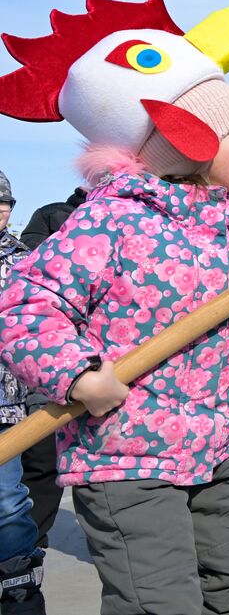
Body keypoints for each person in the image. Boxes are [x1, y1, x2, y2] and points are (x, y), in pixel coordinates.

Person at [0, 0, 229, 615]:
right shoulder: (110, 221)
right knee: (157, 602)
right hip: (123, 454)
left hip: (212, 446)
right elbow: (25, 307)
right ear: (185, 138)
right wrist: (78, 375)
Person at [16, 185, 87, 564]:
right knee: (31, 461)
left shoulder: (131, 217)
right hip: (43, 361)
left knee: (56, 460)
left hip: (93, 359)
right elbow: (36, 269)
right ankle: (23, 540)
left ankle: (32, 539)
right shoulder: (54, 214)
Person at [0, 172, 45, 613]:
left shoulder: (24, 260)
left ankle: (18, 589)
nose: (0, 209)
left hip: (7, 401)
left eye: (5, 202)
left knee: (9, 501)